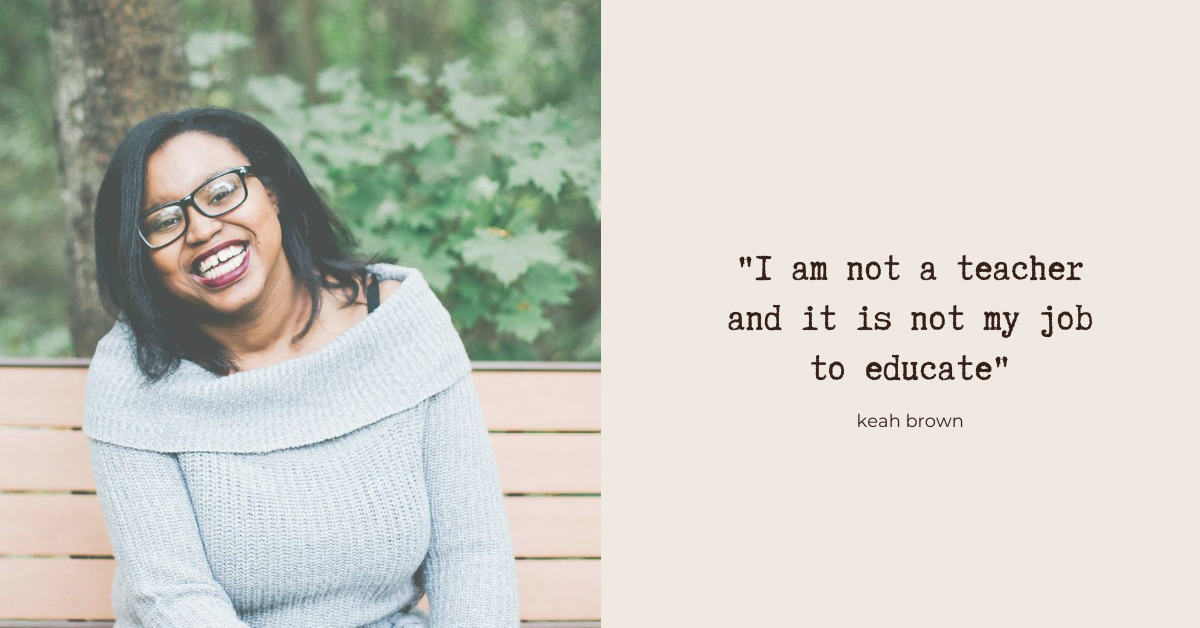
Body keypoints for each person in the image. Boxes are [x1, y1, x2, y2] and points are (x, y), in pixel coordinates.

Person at [82, 106, 519, 628]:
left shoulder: (400, 323)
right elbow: (170, 596)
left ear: (273, 191)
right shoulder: (130, 378)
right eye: (165, 221)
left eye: (220, 193)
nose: (201, 229)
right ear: (141, 257)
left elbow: (471, 552)